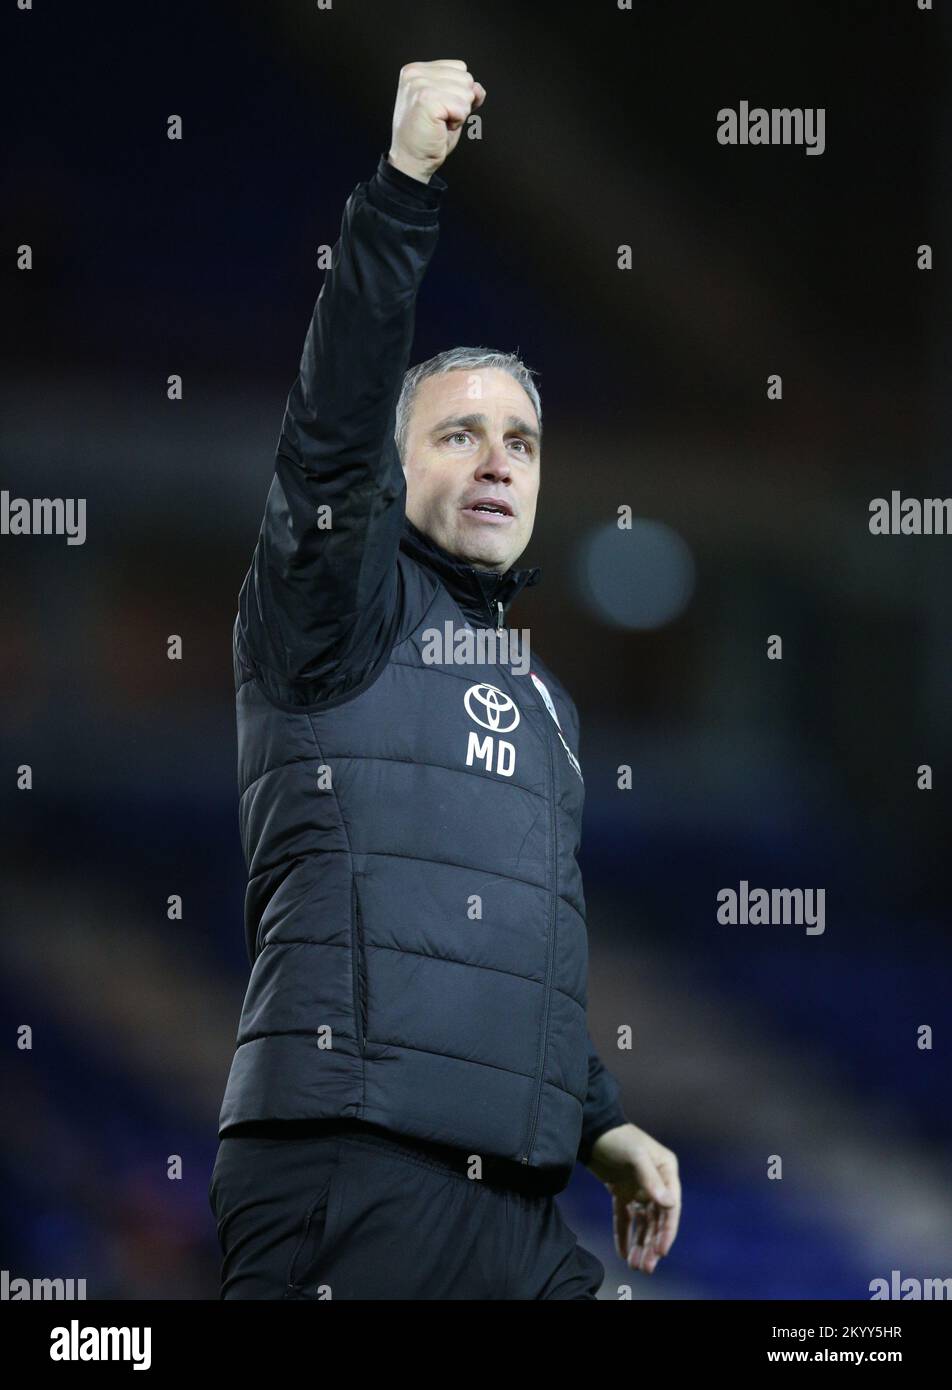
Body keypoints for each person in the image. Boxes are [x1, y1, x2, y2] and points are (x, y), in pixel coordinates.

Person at [209, 58, 681, 1300]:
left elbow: (509, 948)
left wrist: (600, 1122)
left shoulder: (547, 706)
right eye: (458, 432)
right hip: (347, 1170)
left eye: (520, 439)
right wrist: (405, 187)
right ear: (393, 472)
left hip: (518, 1205)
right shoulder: (333, 610)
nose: (496, 460)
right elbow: (331, 423)